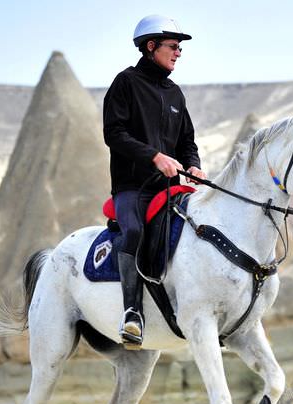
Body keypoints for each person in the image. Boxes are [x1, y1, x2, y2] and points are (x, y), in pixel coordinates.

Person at [103, 14, 206, 346]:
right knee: (134, 231)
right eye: (173, 46)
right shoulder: (125, 82)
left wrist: (194, 166)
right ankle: (132, 313)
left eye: (180, 48)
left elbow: (187, 142)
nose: (179, 53)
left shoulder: (175, 94)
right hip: (132, 187)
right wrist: (154, 157)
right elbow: (114, 133)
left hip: (171, 188)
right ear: (151, 46)